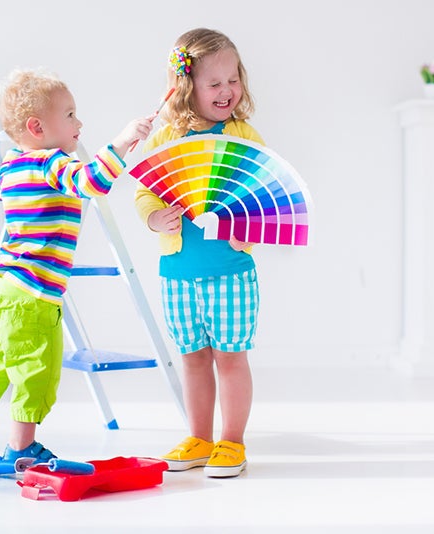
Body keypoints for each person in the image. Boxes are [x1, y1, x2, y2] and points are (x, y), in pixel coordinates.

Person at [0, 69, 153, 464]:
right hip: (35, 295)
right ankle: (21, 448)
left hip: (2, 288)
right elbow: (91, 181)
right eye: (71, 115)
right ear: (37, 127)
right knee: (34, 370)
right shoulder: (51, 164)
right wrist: (124, 142)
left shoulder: (9, 168)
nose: (80, 124)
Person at [134, 28, 263, 478]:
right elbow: (144, 194)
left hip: (230, 270)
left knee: (230, 357)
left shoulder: (243, 135)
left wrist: (247, 226)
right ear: (187, 86)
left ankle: (233, 441)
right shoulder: (166, 138)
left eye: (233, 79)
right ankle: (199, 436)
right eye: (214, 83)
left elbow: (262, 195)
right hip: (177, 273)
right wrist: (154, 218)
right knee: (192, 357)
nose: (227, 90)